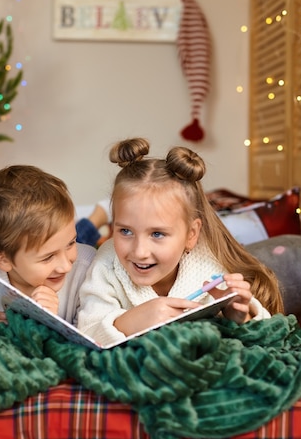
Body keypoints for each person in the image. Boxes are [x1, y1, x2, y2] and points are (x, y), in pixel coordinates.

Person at [77, 138, 284, 346]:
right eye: (125, 231)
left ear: (191, 235)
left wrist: (240, 318)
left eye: (157, 234)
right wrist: (129, 323)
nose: (139, 252)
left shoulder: (207, 266)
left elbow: (265, 333)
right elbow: (85, 334)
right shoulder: (107, 264)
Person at [0, 165, 96, 325]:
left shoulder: (88, 266)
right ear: (3, 259)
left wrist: (49, 325)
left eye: (71, 243)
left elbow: (93, 342)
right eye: (48, 257)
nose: (66, 266)